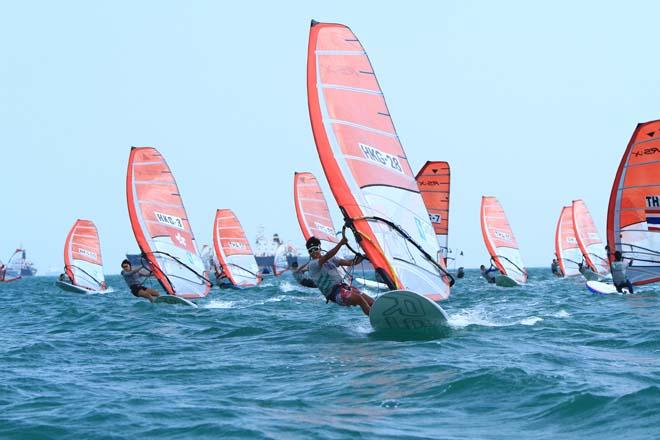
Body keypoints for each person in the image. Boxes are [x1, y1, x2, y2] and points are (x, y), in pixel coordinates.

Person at [306, 236, 374, 316]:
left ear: (320, 248)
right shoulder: (312, 265)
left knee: (371, 302)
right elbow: (326, 256)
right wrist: (340, 243)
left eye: (315, 249)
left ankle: (382, 314)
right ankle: (376, 319)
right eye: (310, 251)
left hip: (345, 288)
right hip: (335, 294)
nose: (313, 252)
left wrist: (363, 257)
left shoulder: (331, 259)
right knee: (359, 299)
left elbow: (350, 263)